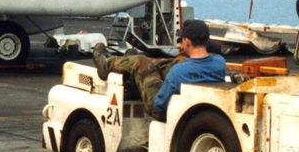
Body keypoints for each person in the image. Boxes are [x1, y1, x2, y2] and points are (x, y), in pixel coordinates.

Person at [93, 20, 226, 120]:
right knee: (166, 63)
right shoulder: (219, 63)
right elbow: (195, 64)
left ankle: (107, 66)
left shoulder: (178, 72)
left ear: (186, 42)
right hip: (195, 107)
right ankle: (128, 61)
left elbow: (159, 103)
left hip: (163, 111)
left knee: (141, 62)